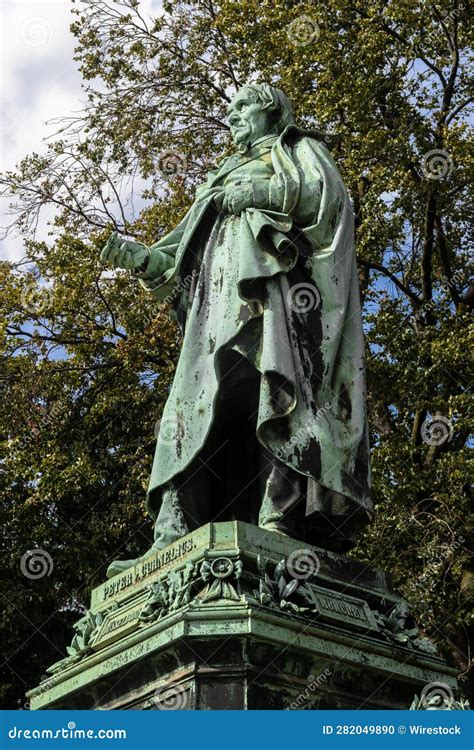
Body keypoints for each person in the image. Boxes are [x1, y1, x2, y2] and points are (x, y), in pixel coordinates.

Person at [101, 83, 372, 578]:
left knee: (278, 395)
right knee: (192, 411)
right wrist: (141, 259)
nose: (231, 117)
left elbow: (327, 203)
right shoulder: (219, 177)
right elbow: (177, 257)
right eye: (227, 110)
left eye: (241, 106)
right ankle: (172, 532)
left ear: (270, 110)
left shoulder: (298, 151)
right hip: (212, 314)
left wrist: (264, 190)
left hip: (280, 302)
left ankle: (280, 521)